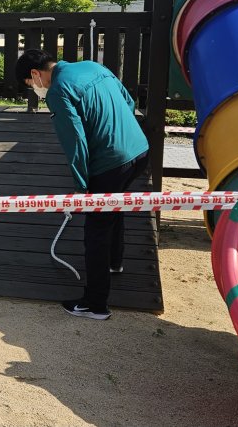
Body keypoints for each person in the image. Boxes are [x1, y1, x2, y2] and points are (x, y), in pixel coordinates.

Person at [15, 49, 149, 321]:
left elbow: (74, 141)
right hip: (139, 150)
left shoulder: (58, 91)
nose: (36, 90)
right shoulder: (92, 66)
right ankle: (115, 262)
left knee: (96, 230)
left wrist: (81, 186)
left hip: (111, 161)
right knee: (114, 205)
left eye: (31, 85)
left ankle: (96, 303)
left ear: (35, 74)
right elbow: (128, 99)